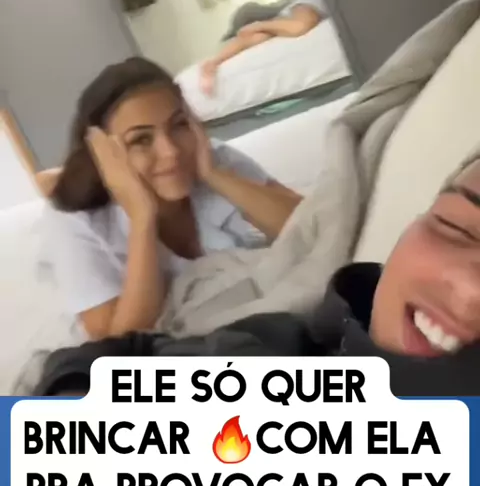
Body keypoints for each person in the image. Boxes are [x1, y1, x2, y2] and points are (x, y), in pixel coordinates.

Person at [34, 153, 480, 397]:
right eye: (457, 225)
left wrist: (210, 170)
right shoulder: (280, 338)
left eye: (178, 126)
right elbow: (122, 348)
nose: (471, 289)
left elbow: (302, 223)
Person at [40, 58, 302, 342]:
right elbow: (119, 344)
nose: (171, 152)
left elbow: (316, 226)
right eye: (141, 139)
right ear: (102, 153)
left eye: (178, 125)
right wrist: (142, 219)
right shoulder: (73, 220)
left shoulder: (213, 159)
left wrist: (215, 176)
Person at [200, 0, 325, 96]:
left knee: (258, 36)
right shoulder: (307, 4)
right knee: (249, 17)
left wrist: (215, 62)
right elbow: (300, 26)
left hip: (275, 15)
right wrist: (257, 26)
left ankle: (212, 64)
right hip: (286, 7)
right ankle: (213, 62)